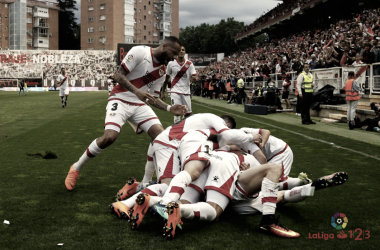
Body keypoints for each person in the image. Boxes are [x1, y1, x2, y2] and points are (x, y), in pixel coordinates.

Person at [65, 37, 187, 191]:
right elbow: (118, 75)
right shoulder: (140, 52)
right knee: (109, 137)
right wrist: (137, 92)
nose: (174, 58)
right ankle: (76, 167)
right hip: (120, 99)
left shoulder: (162, 71)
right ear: (164, 46)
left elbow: (153, 98)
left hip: (139, 105)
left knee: (161, 137)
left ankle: (146, 182)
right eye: (173, 53)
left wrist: (170, 108)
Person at [162, 46, 196, 124]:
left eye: (183, 50)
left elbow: (195, 76)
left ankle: (183, 129)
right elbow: (166, 79)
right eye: (179, 50)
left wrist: (194, 78)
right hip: (175, 91)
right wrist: (163, 92)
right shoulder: (171, 64)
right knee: (177, 113)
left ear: (185, 52)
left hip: (186, 92)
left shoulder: (189, 64)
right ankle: (176, 131)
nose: (181, 51)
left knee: (187, 114)